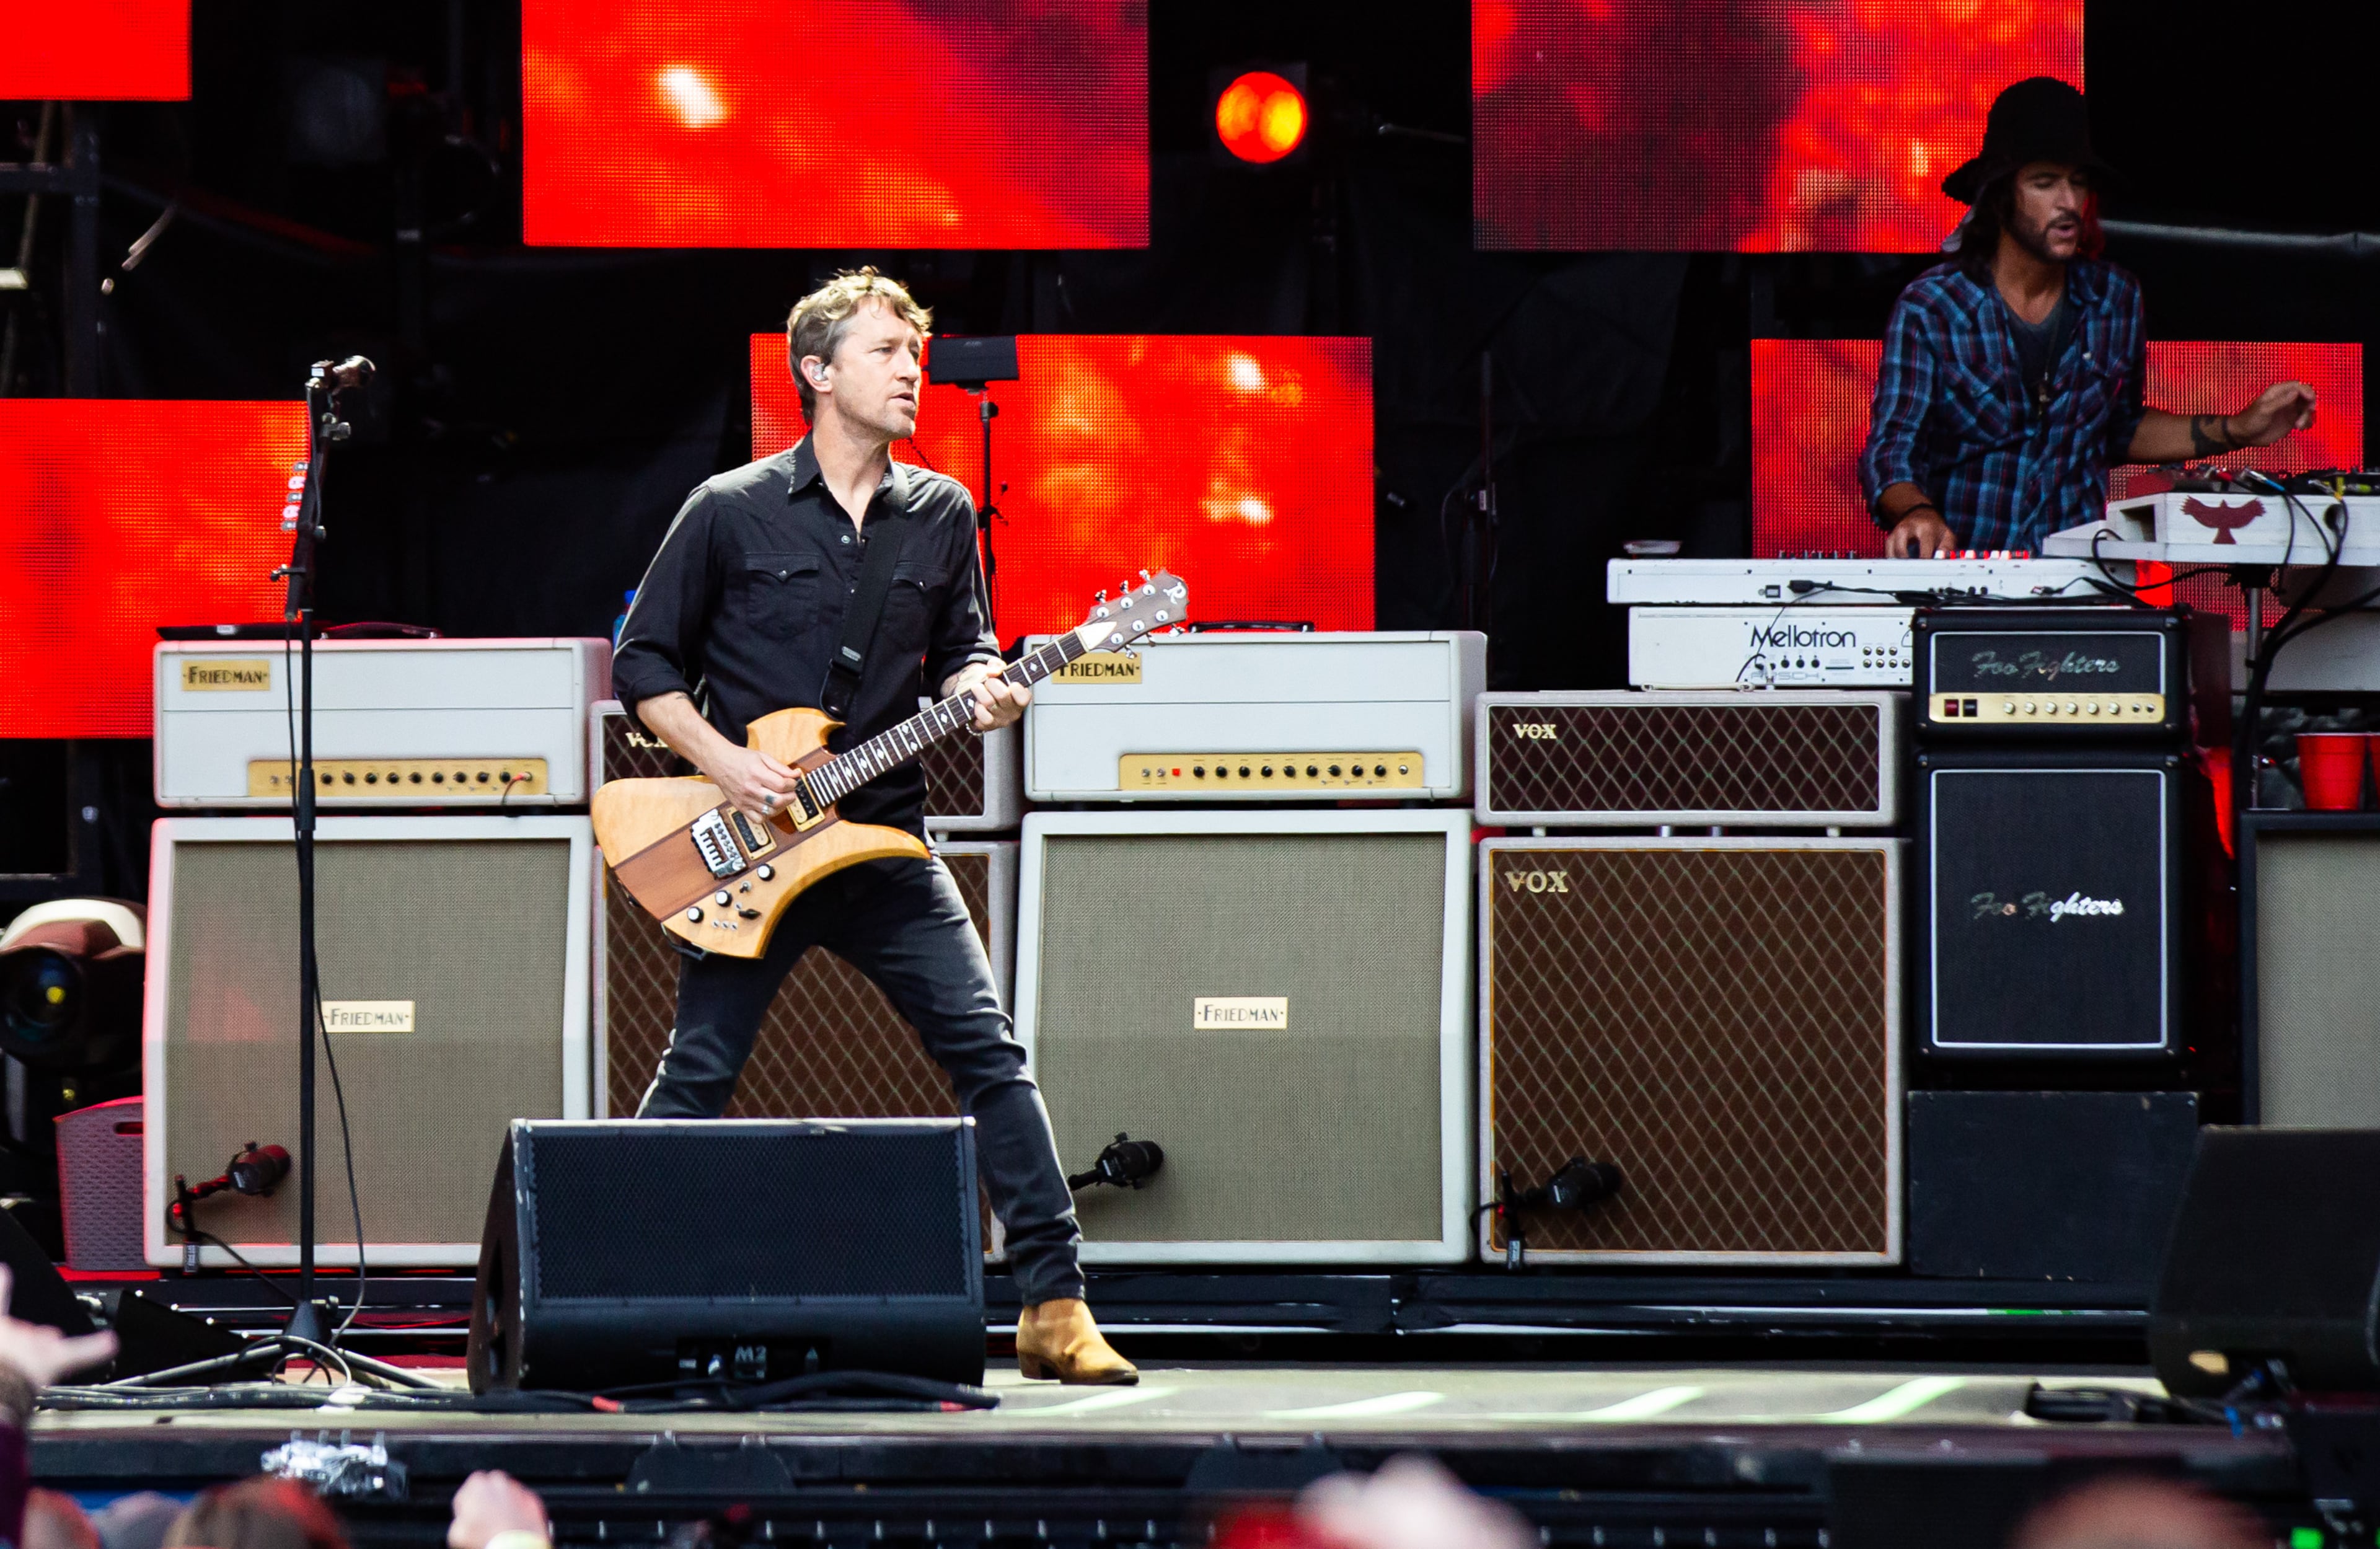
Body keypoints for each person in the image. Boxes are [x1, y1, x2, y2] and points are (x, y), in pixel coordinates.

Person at [612, 268, 1132, 1386]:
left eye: (916, 352)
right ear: (818, 369)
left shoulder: (940, 513)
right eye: (890, 351)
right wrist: (727, 762)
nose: (913, 371)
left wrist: (993, 682)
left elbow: (967, 649)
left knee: (991, 1056)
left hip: (888, 843)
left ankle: (1053, 1302)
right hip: (750, 844)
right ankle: (617, 1286)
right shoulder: (728, 507)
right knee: (697, 1070)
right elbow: (642, 661)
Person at [1861, 76, 2317, 559]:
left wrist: (2239, 428)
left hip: (2077, 577)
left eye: (2078, 182)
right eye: (2044, 183)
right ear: (2000, 197)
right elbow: (1892, 449)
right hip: (1961, 583)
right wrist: (1919, 514)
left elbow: (2119, 429)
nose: (2068, 202)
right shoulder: (1933, 306)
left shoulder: (2115, 297)